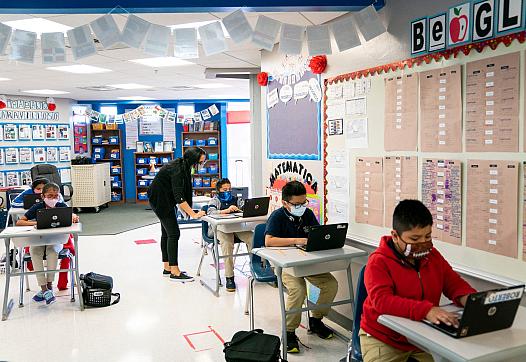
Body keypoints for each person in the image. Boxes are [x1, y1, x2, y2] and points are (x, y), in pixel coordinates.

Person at [360, 199, 476, 362]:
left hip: (418, 336)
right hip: (383, 338)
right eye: (414, 239)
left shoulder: (432, 256)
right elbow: (382, 301)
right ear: (395, 236)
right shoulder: (378, 261)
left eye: (427, 236)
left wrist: (473, 301)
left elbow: (453, 283)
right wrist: (427, 310)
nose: (423, 244)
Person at [264, 181, 338, 353]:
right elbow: (269, 241)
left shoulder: (308, 214)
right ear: (285, 203)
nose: (301, 207)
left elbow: (317, 233)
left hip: (306, 262)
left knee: (331, 284)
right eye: (296, 204)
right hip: (286, 265)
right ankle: (289, 332)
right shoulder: (277, 216)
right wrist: (297, 240)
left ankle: (316, 320)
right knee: (298, 290)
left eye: (304, 202)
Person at [148, 147, 207, 282]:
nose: (202, 165)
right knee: (174, 233)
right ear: (193, 160)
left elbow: (179, 195)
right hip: (160, 199)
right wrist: (193, 214)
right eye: (200, 162)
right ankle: (175, 271)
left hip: (163, 197)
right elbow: (179, 197)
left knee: (167, 233)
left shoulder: (183, 165)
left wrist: (189, 210)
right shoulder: (178, 169)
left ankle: (167, 268)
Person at [16, 182, 80, 305]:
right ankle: (45, 288)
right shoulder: (37, 207)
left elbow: (73, 216)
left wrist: (75, 217)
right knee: (34, 251)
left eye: (55, 196)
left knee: (52, 251)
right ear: (43, 196)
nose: (53, 199)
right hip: (39, 239)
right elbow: (20, 222)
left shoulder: (61, 205)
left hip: (55, 239)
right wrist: (35, 223)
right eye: (49, 196)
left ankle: (48, 286)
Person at [206, 178, 253, 292]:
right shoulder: (215, 200)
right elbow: (210, 212)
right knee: (227, 244)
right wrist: (225, 211)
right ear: (218, 190)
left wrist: (240, 210)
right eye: (224, 189)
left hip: (236, 228)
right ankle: (229, 277)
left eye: (229, 189)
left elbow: (247, 208)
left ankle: (257, 268)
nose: (227, 191)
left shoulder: (236, 199)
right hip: (220, 229)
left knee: (253, 238)